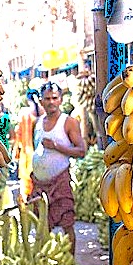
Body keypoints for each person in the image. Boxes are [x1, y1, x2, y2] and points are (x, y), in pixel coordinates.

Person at [31, 81, 87, 255]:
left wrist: (56, 146)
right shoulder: (38, 123)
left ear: (61, 100)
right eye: (47, 98)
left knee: (67, 222)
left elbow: (81, 150)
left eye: (54, 98)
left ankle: (71, 261)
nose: (51, 102)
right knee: (42, 225)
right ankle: (46, 261)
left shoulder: (68, 122)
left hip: (60, 181)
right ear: (41, 101)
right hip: (40, 183)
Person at [12, 89, 41, 197]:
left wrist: (16, 150)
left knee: (28, 185)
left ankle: (28, 205)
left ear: (28, 100)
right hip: (42, 156)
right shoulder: (45, 113)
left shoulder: (24, 114)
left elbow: (18, 134)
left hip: (27, 155)